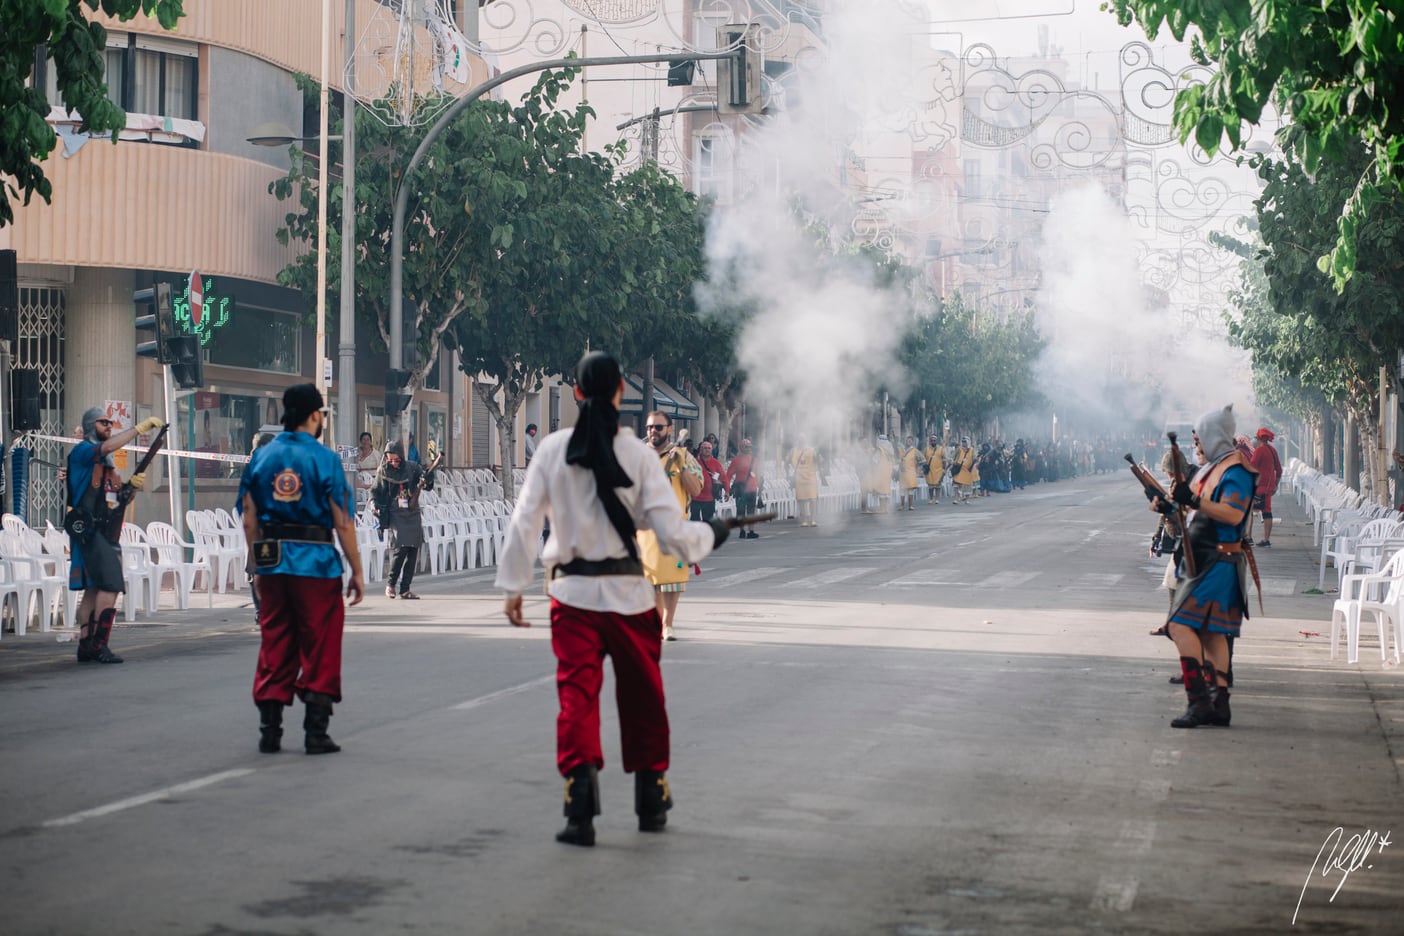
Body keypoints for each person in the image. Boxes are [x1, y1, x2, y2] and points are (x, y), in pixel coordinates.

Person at [494, 351, 733, 847]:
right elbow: (671, 534)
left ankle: (579, 804)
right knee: (644, 696)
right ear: (621, 391)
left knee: (576, 697)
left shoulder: (553, 450)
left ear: (577, 393)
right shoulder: (641, 456)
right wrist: (711, 535)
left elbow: (524, 520)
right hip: (630, 595)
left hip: (572, 596)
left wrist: (514, 585)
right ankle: (651, 796)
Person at [238, 384, 364, 754]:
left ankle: (270, 729)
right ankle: (315, 731)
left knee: (275, 637)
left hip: (273, 562)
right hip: (316, 563)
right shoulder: (325, 460)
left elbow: (249, 518)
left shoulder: (261, 457)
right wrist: (356, 570)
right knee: (320, 641)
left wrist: (257, 567)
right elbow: (342, 520)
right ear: (314, 415)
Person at [1149, 404, 1256, 729]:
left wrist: (1192, 500)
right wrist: (1167, 504)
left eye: (1199, 439)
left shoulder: (1235, 471)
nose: (1196, 444)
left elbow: (1233, 514)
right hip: (1205, 561)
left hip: (1218, 561)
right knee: (1211, 634)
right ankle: (1219, 704)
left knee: (1180, 626)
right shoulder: (1215, 468)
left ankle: (1198, 702)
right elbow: (1193, 509)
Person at [66, 408, 164, 664]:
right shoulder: (83, 451)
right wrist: (138, 430)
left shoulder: (106, 464)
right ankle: (99, 644)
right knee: (110, 585)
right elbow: (107, 448)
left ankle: (87, 646)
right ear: (90, 425)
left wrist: (131, 487)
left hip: (102, 530)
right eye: (103, 422)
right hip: (87, 529)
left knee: (94, 588)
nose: (109, 425)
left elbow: (115, 500)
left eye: (110, 422)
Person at [638, 411, 703, 642]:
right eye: (649, 427)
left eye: (658, 427)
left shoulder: (684, 456)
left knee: (672, 577)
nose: (652, 431)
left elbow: (696, 489)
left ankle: (668, 624)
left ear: (669, 429)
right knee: (651, 579)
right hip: (645, 527)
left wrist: (680, 466)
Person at [371, 440, 435, 599]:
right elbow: (375, 492)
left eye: (396, 459)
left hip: (412, 512)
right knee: (401, 547)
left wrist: (428, 476)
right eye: (390, 459)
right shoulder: (383, 471)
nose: (394, 463)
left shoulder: (412, 468)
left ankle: (405, 588)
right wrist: (374, 506)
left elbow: (426, 485)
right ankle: (391, 584)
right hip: (395, 511)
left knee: (413, 548)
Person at [1249, 427, 1282, 546]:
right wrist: (1275, 485)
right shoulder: (1273, 450)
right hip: (1269, 486)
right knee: (1267, 512)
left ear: (1258, 438)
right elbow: (1279, 470)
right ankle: (1266, 539)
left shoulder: (1259, 450)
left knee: (1250, 510)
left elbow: (1251, 467)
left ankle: (1248, 537)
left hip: (1259, 487)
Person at [726, 438, 762, 538]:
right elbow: (728, 475)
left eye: (749, 446)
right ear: (741, 447)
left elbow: (758, 474)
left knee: (751, 511)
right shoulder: (736, 460)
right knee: (741, 510)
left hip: (752, 489)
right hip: (740, 489)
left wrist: (760, 488)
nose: (748, 448)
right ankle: (742, 530)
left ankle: (751, 531)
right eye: (746, 446)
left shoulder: (755, 459)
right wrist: (727, 490)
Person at [691, 440, 725, 523]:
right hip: (695, 497)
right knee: (695, 521)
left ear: (711, 450)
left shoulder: (716, 463)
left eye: (709, 448)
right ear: (701, 450)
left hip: (709, 498)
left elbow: (723, 477)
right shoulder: (693, 462)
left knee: (708, 521)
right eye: (705, 448)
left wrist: (727, 491)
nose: (707, 450)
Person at [354, 431, 379, 514]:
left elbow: (380, 469)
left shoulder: (375, 454)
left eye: (368, 439)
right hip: (360, 479)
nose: (366, 442)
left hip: (372, 479)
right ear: (361, 441)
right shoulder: (356, 453)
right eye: (364, 439)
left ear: (370, 441)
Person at [898, 436, 921, 511]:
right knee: (902, 489)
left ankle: (910, 505)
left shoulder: (914, 450)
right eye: (908, 440)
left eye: (910, 441)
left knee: (910, 489)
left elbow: (922, 459)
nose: (909, 442)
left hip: (911, 472)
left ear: (912, 442)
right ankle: (902, 506)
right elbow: (897, 459)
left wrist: (917, 466)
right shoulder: (901, 450)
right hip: (902, 472)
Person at [952, 437, 978, 504]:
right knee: (957, 484)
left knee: (967, 485)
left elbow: (975, 458)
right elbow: (953, 456)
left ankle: (967, 499)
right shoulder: (959, 449)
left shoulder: (972, 450)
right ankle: (957, 499)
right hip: (959, 469)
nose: (963, 443)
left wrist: (975, 459)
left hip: (967, 471)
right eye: (963, 441)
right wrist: (953, 462)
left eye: (965, 442)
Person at [923, 434, 945, 504]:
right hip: (929, 470)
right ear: (930, 441)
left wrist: (944, 469)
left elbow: (944, 459)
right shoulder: (926, 449)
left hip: (938, 470)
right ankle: (931, 498)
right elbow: (923, 459)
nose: (933, 442)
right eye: (932, 440)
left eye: (934, 440)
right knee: (930, 486)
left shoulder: (941, 449)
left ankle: (937, 499)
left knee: (938, 486)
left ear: (936, 441)